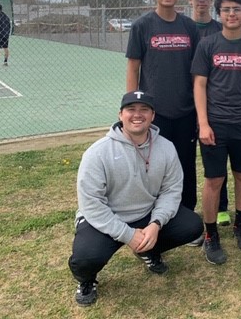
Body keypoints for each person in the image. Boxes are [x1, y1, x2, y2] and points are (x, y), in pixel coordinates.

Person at [68, 91, 203, 307]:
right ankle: (86, 280)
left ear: (153, 116)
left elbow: (171, 191)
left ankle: (149, 250)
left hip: (146, 215)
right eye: (131, 110)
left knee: (192, 225)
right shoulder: (98, 153)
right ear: (120, 114)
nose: (137, 115)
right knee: (86, 258)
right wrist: (128, 235)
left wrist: (156, 223)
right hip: (107, 220)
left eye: (144, 110)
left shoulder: (166, 148)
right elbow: (91, 204)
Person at [191, 0, 241, 265]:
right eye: (226, 10)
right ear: (219, 14)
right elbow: (199, 84)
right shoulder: (208, 45)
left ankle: (239, 224)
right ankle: (210, 233)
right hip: (215, 124)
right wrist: (203, 123)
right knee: (214, 180)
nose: (232, 14)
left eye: (237, 9)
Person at [126, 0, 199, 217]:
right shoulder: (142, 26)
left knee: (186, 164)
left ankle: (187, 213)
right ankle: (154, 216)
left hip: (186, 111)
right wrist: (132, 108)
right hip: (154, 114)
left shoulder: (189, 27)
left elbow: (196, 72)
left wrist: (199, 110)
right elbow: (133, 67)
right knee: (154, 166)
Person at [188, 0, 231, 228]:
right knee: (187, 161)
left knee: (218, 157)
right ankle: (187, 209)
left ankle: (222, 206)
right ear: (190, 0)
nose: (201, 0)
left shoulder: (219, 28)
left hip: (214, 103)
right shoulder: (185, 27)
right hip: (187, 100)